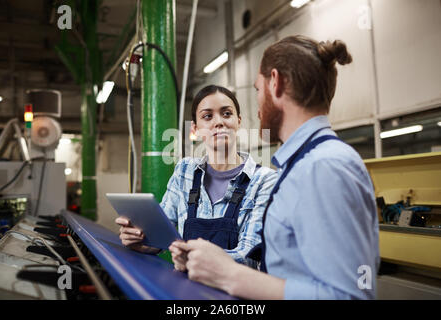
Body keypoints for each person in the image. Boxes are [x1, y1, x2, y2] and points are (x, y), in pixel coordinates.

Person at [171, 35, 380, 300]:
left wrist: (228, 274)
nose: (257, 107)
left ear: (275, 82)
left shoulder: (325, 168)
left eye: (258, 89)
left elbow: (352, 296)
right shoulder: (302, 166)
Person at [116, 85, 278, 269]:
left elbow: (248, 255)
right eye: (207, 116)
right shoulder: (185, 170)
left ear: (238, 121)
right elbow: (161, 236)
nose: (218, 122)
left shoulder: (264, 180)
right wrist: (141, 241)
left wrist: (192, 257)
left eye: (226, 114)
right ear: (195, 128)